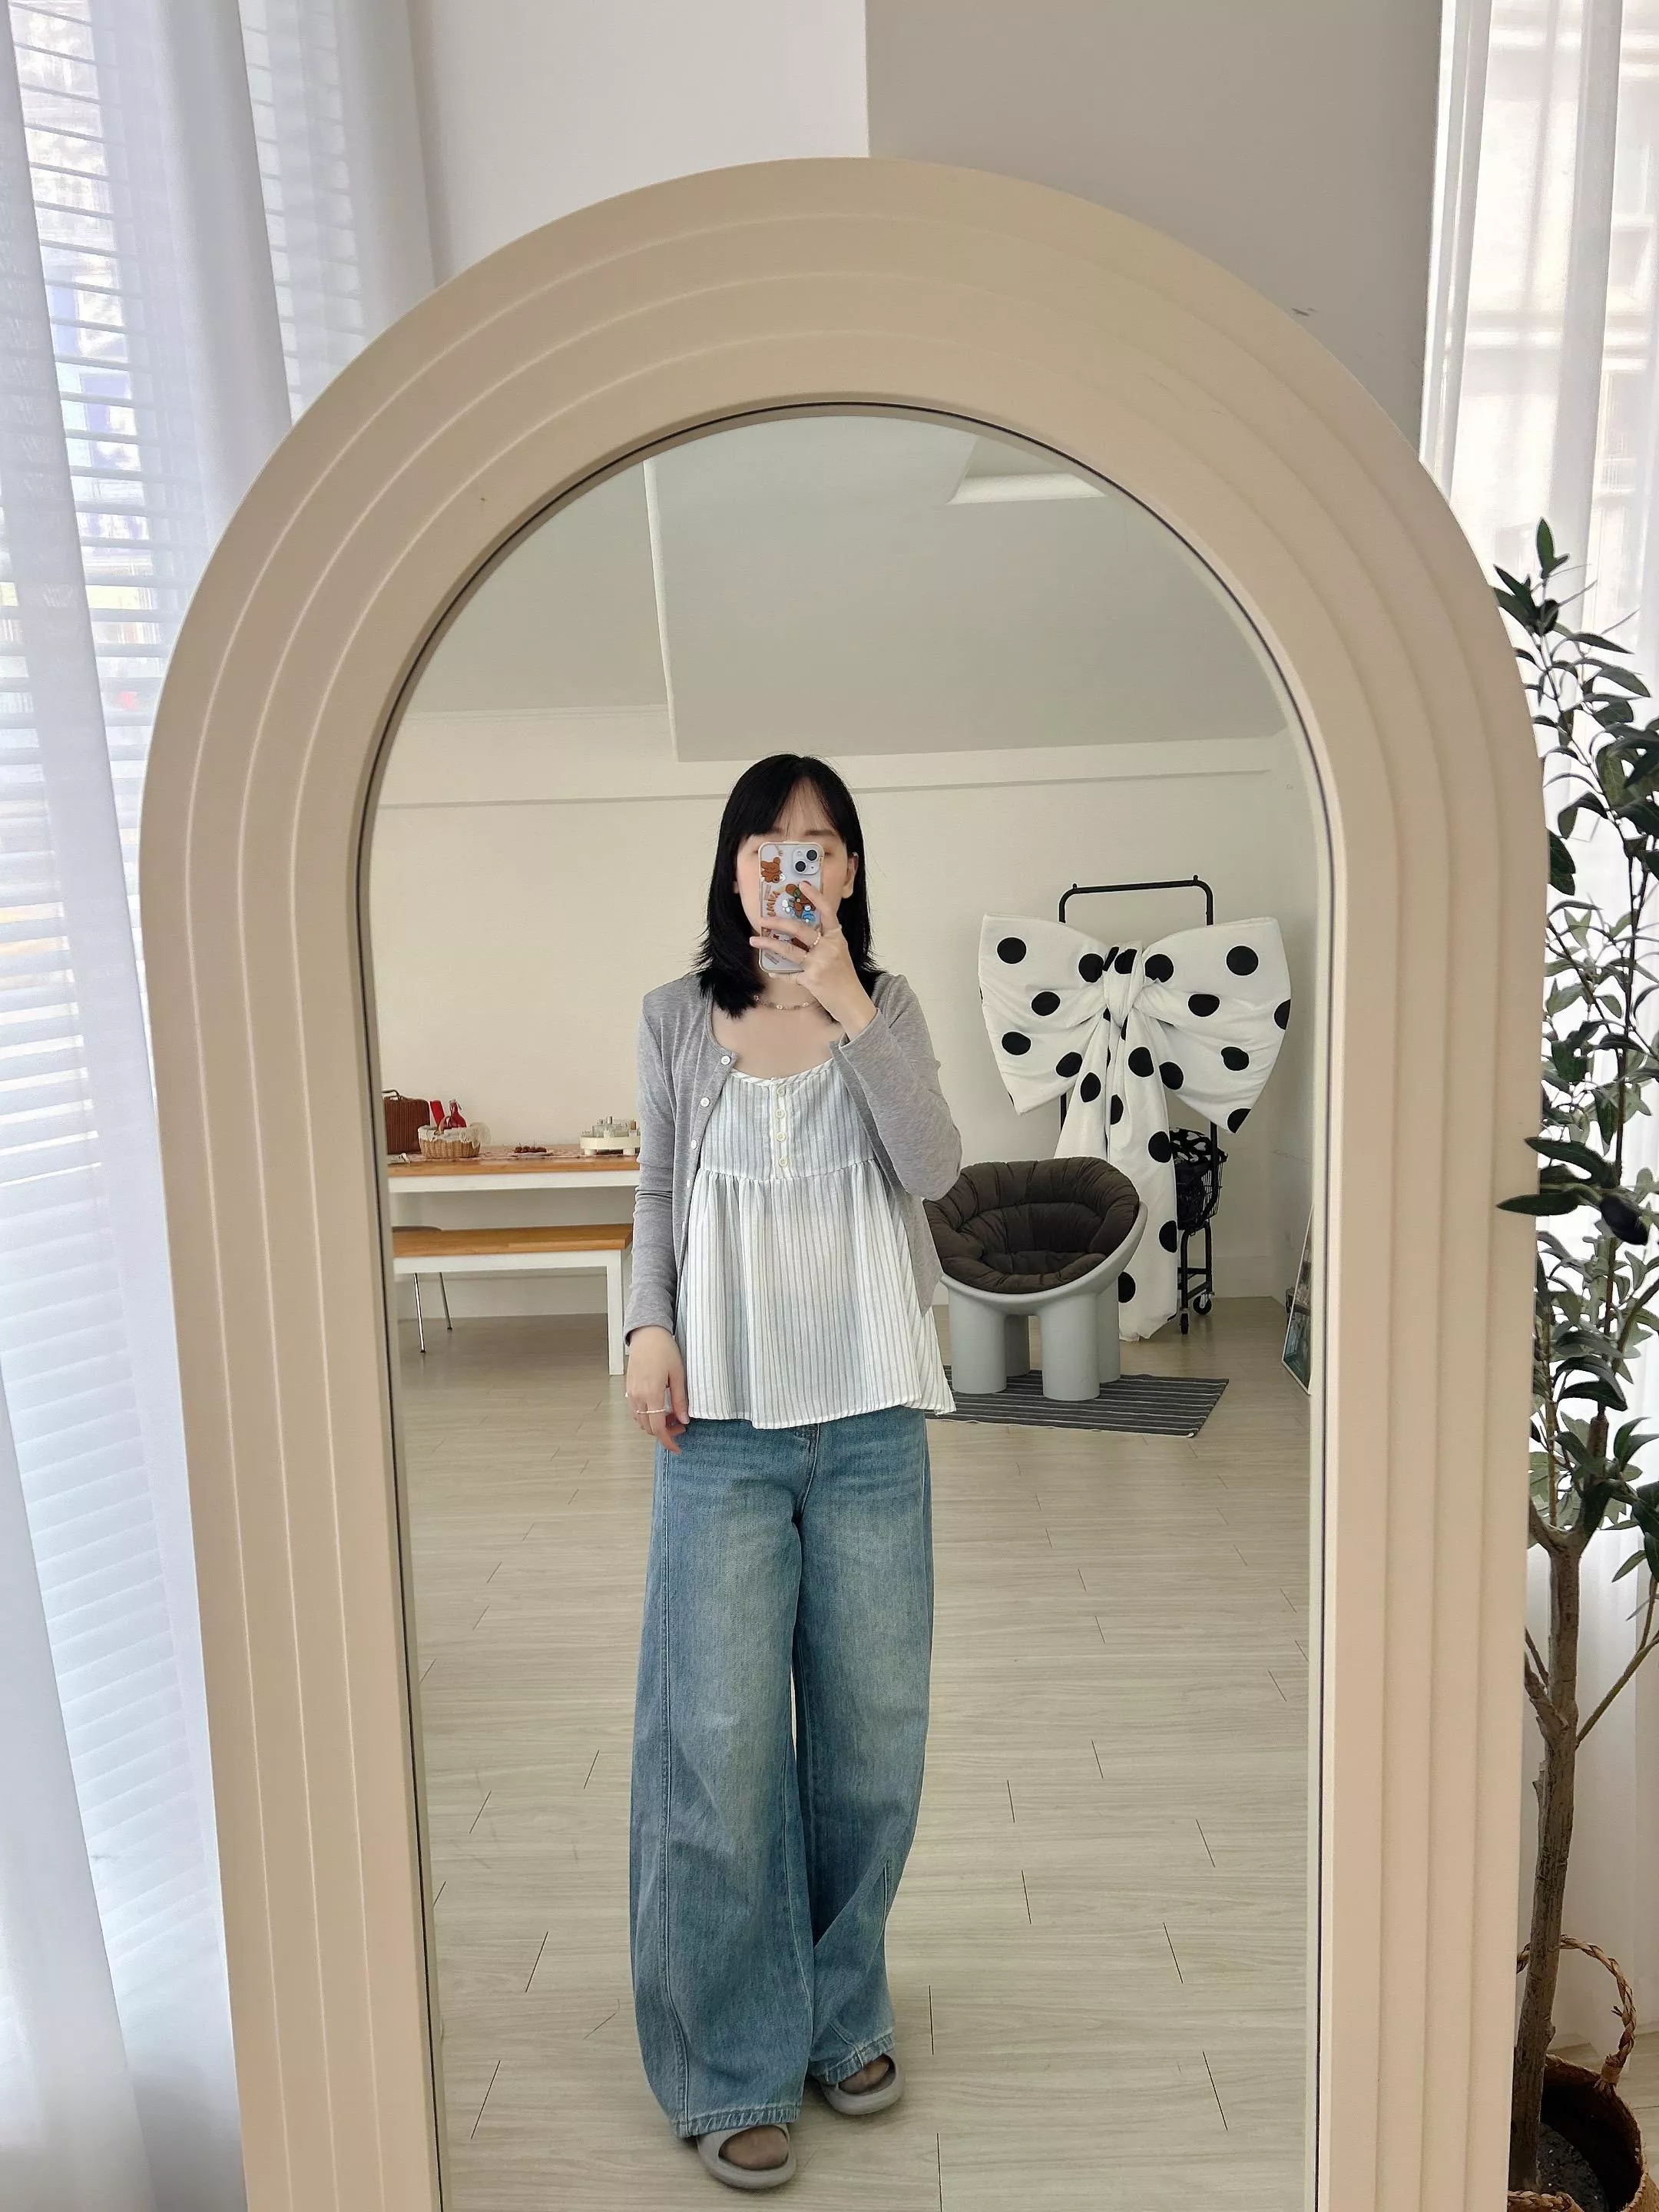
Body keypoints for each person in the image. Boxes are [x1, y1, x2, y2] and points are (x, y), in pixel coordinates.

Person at [624, 754, 962, 2191]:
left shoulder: (887, 1009)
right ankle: (729, 2059)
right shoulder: (674, 1017)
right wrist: (645, 1324)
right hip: (722, 1434)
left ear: (850, 871)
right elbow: (655, 1190)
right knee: (718, 1750)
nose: (791, 866)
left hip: (873, 1421)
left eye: (817, 845)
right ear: (734, 866)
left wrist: (846, 1003)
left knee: (872, 1746)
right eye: (767, 845)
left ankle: (837, 2009)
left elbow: (936, 1167)